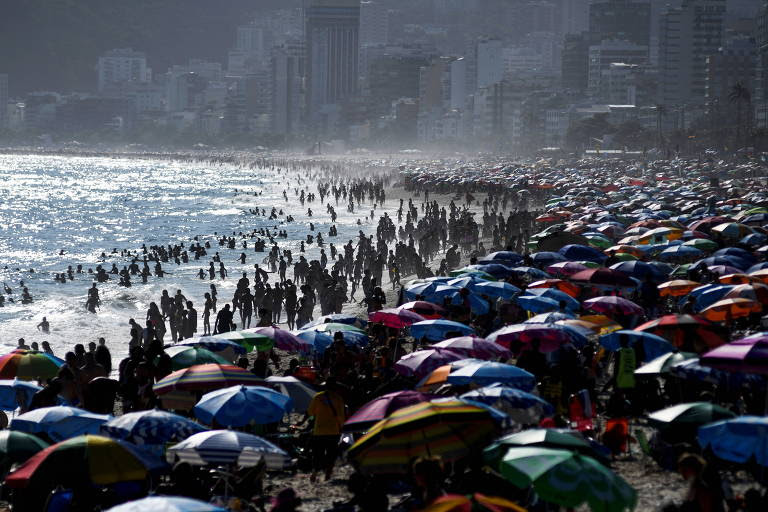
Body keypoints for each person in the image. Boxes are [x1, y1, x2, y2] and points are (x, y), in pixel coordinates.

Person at [299, 378, 346, 482]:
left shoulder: (318, 397)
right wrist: (342, 427)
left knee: (317, 454)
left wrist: (301, 422)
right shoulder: (338, 399)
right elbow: (341, 417)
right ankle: (327, 475)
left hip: (319, 431)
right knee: (331, 454)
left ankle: (315, 472)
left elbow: (310, 412)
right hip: (333, 432)